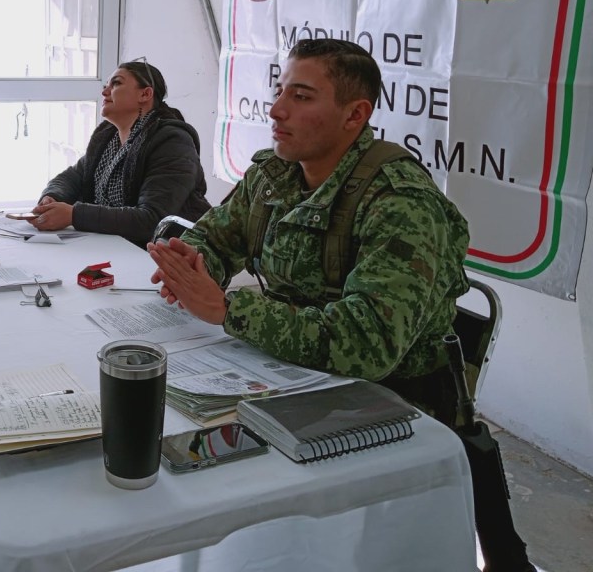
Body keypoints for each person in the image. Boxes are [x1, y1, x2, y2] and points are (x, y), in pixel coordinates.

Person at [148, 38, 536, 572]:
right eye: (280, 91)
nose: (277, 109)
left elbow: (368, 343)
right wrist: (194, 267)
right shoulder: (273, 175)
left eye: (301, 97)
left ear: (356, 114)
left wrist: (229, 311)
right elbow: (217, 238)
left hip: (389, 405)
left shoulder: (400, 201)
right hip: (289, 379)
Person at [29, 59, 210, 246]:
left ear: (145, 94)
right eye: (106, 85)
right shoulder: (107, 138)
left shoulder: (173, 142)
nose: (104, 91)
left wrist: (74, 215)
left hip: (171, 257)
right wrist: (51, 197)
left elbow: (152, 220)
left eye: (116, 83)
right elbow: (72, 178)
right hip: (119, 247)